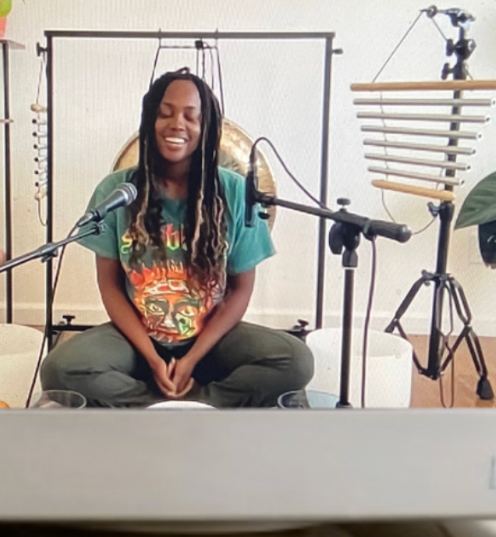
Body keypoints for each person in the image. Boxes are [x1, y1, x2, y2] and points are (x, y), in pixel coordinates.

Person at [40, 69, 314, 408]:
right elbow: (110, 286)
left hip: (213, 342)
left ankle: (198, 404)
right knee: (60, 369)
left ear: (206, 127)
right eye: (165, 113)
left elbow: (240, 289)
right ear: (149, 122)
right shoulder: (117, 191)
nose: (177, 124)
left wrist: (191, 360)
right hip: (136, 342)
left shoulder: (234, 192)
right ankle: (159, 408)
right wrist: (154, 359)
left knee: (295, 360)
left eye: (191, 116)